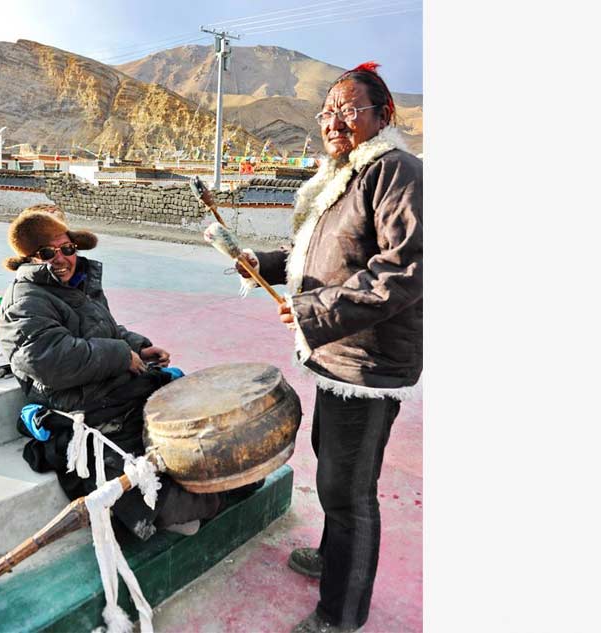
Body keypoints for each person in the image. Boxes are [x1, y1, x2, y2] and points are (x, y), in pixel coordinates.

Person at [238, 62, 422, 632]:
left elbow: (404, 271)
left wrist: (313, 310)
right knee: (333, 472)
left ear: (382, 116)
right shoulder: (340, 176)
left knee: (349, 491)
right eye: (326, 112)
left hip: (366, 363)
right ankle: (332, 556)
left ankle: (340, 615)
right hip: (334, 356)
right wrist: (260, 265)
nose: (333, 122)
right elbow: (314, 254)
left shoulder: (395, 170)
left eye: (348, 110)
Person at [0, 204, 221, 539]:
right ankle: (178, 509)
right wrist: (119, 355)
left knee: (195, 420)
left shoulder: (79, 286)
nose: (61, 259)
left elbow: (106, 330)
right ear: (29, 259)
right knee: (146, 467)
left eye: (66, 249)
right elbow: (51, 359)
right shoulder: (25, 301)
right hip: (82, 403)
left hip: (114, 388)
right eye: (46, 253)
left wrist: (138, 347)